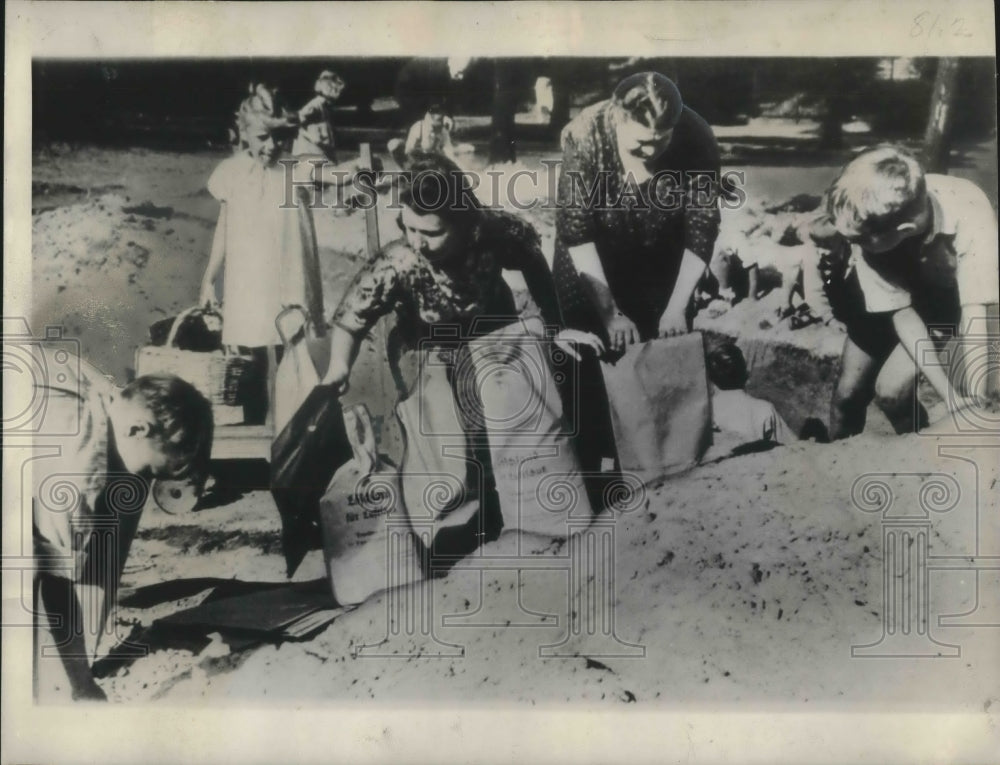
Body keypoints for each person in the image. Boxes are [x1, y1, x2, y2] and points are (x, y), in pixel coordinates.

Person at [321, 154, 600, 553]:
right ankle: (452, 531)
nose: (417, 241)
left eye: (430, 232)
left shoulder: (494, 231)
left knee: (511, 425)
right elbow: (352, 316)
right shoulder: (400, 260)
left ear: (463, 223)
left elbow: (534, 264)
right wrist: (337, 366)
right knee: (443, 439)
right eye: (409, 227)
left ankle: (523, 514)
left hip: (492, 334)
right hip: (427, 349)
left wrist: (555, 326)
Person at [32, 348, 213, 701]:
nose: (141, 483)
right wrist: (81, 684)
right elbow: (55, 585)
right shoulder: (78, 475)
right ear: (139, 429)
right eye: (148, 472)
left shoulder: (106, 394)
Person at [821, 146, 999, 439]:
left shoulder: (970, 211)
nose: (855, 246)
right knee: (847, 395)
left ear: (904, 230)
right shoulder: (873, 220)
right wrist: (949, 397)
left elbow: (974, 310)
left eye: (861, 242)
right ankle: (834, 468)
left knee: (891, 391)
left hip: (944, 299)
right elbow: (900, 312)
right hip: (890, 294)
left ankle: (919, 452)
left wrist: (969, 400)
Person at [199, 83, 326, 423]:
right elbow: (224, 229)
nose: (271, 147)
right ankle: (254, 430)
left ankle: (291, 432)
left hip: (288, 274)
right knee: (250, 353)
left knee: (292, 352)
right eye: (261, 138)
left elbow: (335, 176)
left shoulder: (296, 170)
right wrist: (210, 279)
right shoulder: (232, 173)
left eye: (280, 139)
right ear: (244, 134)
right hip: (249, 277)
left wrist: (359, 172)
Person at [705, 342, 793, 450]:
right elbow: (793, 449)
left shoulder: (703, 412)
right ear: (745, 374)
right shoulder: (764, 410)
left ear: (711, 378)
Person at [388, 103, 473, 168]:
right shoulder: (418, 128)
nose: (436, 129)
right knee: (393, 144)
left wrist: (459, 167)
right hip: (416, 161)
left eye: (439, 125)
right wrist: (415, 165)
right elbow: (408, 151)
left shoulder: (443, 130)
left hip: (434, 162)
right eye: (433, 126)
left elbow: (449, 151)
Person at [294, 70, 345, 161]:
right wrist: (312, 138)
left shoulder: (326, 106)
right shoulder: (316, 104)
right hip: (312, 150)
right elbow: (297, 121)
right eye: (336, 89)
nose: (338, 93)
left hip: (323, 149)